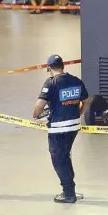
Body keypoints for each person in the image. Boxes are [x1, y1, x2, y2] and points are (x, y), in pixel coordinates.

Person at [33, 55, 90, 203]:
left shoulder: (51, 83)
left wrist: (36, 115)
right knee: (65, 157)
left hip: (58, 128)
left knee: (59, 160)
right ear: (63, 66)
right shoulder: (76, 80)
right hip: (74, 126)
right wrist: (79, 112)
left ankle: (69, 194)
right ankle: (71, 189)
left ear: (49, 68)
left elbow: (39, 105)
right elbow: (86, 100)